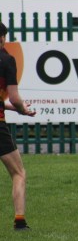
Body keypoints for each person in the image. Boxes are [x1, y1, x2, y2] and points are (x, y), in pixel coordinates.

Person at [0, 22, 36, 230]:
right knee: (18, 173)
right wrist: (22, 109)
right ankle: (20, 221)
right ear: (2, 37)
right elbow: (14, 97)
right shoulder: (6, 60)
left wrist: (15, 109)